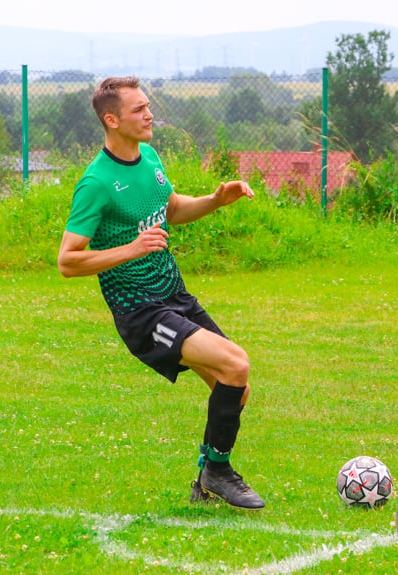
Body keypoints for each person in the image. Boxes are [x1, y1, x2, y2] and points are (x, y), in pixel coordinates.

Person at [58, 76, 264, 510]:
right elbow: (68, 261)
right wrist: (130, 249)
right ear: (111, 120)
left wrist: (214, 199)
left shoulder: (150, 157)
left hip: (175, 296)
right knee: (235, 361)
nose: (150, 115)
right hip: (141, 313)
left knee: (236, 387)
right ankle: (219, 472)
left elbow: (171, 208)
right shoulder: (96, 182)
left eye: (148, 106)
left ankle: (206, 482)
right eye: (138, 110)